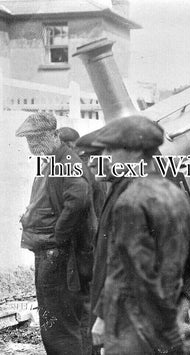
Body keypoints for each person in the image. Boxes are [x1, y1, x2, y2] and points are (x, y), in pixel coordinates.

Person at [88, 115, 190, 354]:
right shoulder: (175, 192)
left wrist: (102, 316)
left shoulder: (131, 199)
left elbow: (126, 267)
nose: (103, 159)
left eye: (109, 151)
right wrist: (182, 309)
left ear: (133, 153)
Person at [16, 112, 95, 354]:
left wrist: (58, 235)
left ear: (54, 135)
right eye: (29, 140)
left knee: (59, 326)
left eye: (37, 139)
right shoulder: (53, 161)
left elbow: (78, 200)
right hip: (54, 253)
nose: (33, 145)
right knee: (70, 321)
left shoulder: (65, 163)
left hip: (58, 256)